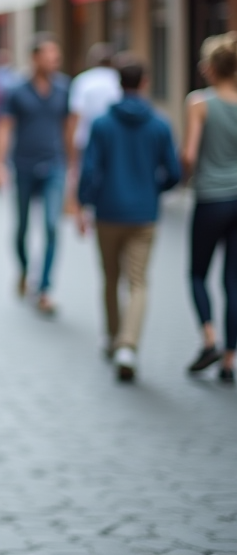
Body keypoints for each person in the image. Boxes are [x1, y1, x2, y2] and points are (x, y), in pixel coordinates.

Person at [75, 56, 180, 381]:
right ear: (145, 82)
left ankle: (112, 337)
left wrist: (84, 202)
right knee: (138, 282)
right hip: (143, 214)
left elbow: (90, 170)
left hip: (108, 212)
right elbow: (174, 172)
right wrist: (153, 189)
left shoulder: (103, 123)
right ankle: (128, 346)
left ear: (119, 83)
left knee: (110, 278)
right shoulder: (160, 123)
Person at [0, 36, 72, 313]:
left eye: (56, 57)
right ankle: (25, 270)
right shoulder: (17, 90)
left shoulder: (64, 88)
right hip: (23, 166)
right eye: (49, 56)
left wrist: (72, 167)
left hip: (55, 166)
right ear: (35, 58)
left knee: (51, 226)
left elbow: (68, 129)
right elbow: (4, 127)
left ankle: (45, 288)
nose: (54, 61)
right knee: (22, 227)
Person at [180, 31, 237, 384]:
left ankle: (209, 338)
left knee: (198, 273)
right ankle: (229, 359)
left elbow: (188, 155)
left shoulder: (199, 103)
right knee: (233, 280)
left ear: (211, 68)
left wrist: (186, 175)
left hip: (211, 199)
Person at [67, 42, 122, 194]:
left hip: (85, 139)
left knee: (84, 181)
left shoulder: (83, 81)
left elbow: (74, 116)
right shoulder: (118, 80)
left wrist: (71, 153)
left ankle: (83, 212)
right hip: (113, 140)